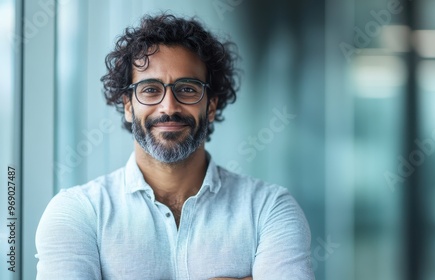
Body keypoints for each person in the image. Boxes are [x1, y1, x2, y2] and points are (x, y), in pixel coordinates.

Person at [35, 12, 314, 280]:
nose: (169, 106)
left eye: (187, 89)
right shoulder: (77, 212)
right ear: (129, 107)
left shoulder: (268, 209)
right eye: (150, 89)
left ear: (212, 105)